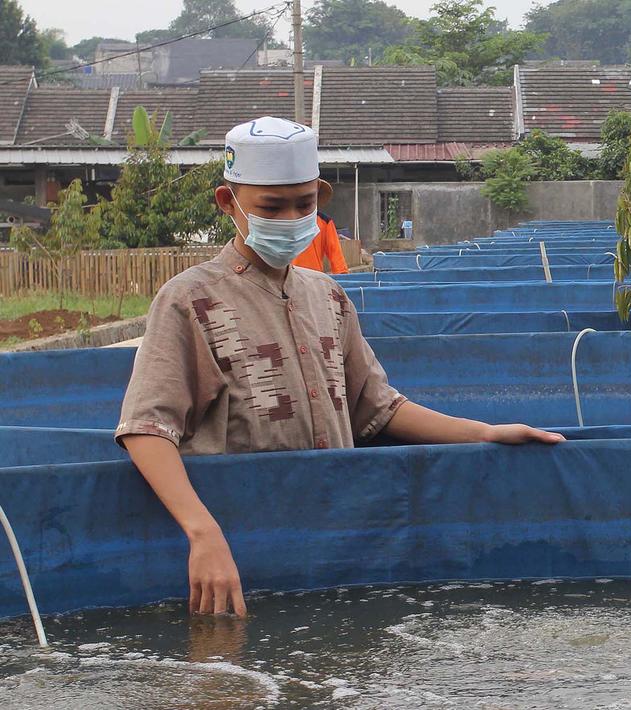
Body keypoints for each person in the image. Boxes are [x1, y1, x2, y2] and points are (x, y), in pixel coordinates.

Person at [114, 116, 563, 617]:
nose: (290, 219)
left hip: (336, 537)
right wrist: (203, 533)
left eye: (304, 204)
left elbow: (379, 408)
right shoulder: (190, 300)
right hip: (238, 539)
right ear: (228, 202)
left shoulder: (327, 296)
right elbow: (147, 429)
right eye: (271, 207)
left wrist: (484, 433)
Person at [292, 210, 349, 274]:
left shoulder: (324, 221)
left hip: (314, 276)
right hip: (288, 276)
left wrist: (342, 274)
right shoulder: (284, 220)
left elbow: (335, 254)